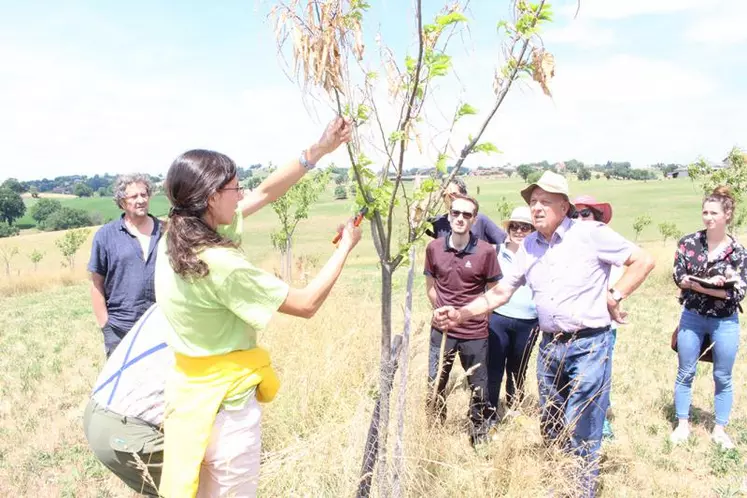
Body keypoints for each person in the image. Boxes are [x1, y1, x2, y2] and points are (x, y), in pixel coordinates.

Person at [154, 117, 360, 497]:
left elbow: (264, 193)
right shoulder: (219, 261)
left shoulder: (176, 237)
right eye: (234, 188)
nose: (241, 194)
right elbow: (306, 303)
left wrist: (318, 150)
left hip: (189, 404)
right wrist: (346, 245)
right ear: (212, 197)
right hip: (227, 412)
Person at [434, 171, 655, 497]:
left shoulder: (590, 234)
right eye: (533, 201)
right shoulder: (531, 247)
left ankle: (581, 489)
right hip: (551, 347)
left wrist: (616, 295)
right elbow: (500, 293)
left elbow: (643, 260)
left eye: (545, 202)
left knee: (581, 421)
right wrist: (461, 312)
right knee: (551, 423)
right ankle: (558, 482)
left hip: (589, 344)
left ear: (564, 207)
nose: (536, 208)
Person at [670, 185, 746, 449]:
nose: (708, 217)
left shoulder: (738, 251)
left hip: (725, 321)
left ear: (727, 215)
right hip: (691, 316)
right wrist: (710, 286)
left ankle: (720, 429)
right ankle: (682, 425)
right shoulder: (688, 243)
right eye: (705, 212)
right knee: (685, 372)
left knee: (723, 376)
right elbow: (678, 276)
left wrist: (700, 286)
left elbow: (738, 294)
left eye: (714, 212)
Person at [424, 194, 502, 446]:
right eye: (455, 213)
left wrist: (477, 316)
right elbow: (431, 287)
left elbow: (493, 292)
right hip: (442, 329)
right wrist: (439, 310)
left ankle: (478, 436)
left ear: (474, 219)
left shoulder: (486, 251)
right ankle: (434, 430)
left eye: (466, 215)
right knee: (436, 382)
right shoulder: (434, 247)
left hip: (475, 332)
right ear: (449, 216)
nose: (459, 218)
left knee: (478, 386)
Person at [83, 304, 171, 496]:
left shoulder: (170, 295)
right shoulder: (209, 316)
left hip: (98, 410)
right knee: (202, 485)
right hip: (126, 429)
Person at [88, 174, 164, 357]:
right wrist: (105, 325)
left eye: (144, 195)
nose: (141, 200)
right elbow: (96, 284)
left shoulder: (166, 231)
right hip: (120, 329)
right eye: (134, 196)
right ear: (122, 202)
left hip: (162, 326)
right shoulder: (105, 236)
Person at [573, 195, 620, 441]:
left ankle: (600, 425)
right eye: (574, 214)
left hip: (600, 326)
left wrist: (613, 297)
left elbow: (617, 282)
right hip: (572, 327)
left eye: (585, 213)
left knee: (598, 378)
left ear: (596, 217)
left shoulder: (605, 242)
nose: (579, 219)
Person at [487, 206, 539, 419]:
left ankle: (514, 408)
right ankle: (489, 409)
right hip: (498, 317)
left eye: (525, 227)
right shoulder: (495, 252)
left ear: (532, 230)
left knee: (518, 368)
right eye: (514, 227)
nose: (518, 231)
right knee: (494, 366)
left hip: (529, 321)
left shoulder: (538, 254)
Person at [426, 177, 507, 245]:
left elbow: (504, 242)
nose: (449, 198)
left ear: (464, 195)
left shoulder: (480, 220)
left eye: (454, 194)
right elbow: (418, 220)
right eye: (444, 195)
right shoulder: (439, 221)